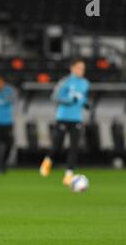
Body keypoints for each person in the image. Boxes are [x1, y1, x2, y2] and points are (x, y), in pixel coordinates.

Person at [39, 58, 90, 186]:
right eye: (79, 68)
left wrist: (85, 104)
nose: (81, 71)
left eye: (83, 68)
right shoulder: (65, 82)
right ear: (72, 68)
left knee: (74, 147)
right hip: (63, 117)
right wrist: (69, 99)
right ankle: (48, 160)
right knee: (57, 144)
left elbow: (83, 98)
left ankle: (69, 174)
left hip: (77, 118)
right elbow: (55, 96)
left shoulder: (85, 83)